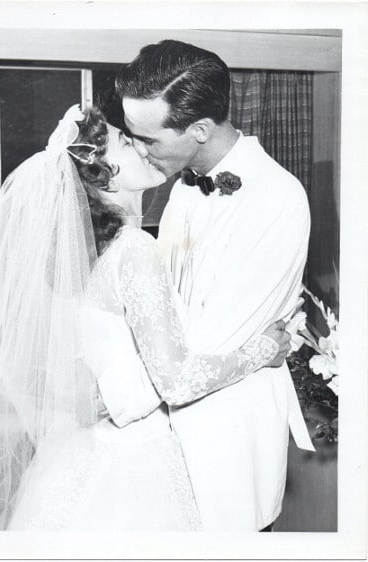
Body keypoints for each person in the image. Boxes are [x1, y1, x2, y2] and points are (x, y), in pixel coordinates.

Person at [0, 104, 290, 531]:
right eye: (125, 141)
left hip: (82, 454)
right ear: (103, 173)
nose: (141, 146)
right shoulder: (132, 247)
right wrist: (266, 348)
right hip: (136, 462)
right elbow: (175, 381)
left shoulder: (87, 257)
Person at [114, 39, 315, 531]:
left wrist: (109, 392)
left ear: (200, 129)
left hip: (225, 447)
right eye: (131, 135)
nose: (138, 150)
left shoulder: (277, 198)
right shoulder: (183, 186)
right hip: (164, 443)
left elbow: (198, 353)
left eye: (149, 139)